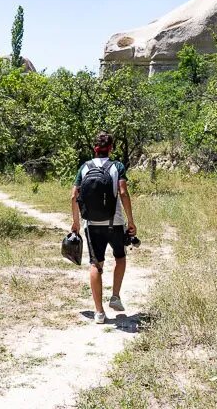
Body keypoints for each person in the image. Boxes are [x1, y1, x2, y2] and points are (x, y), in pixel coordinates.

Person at [70, 131, 137, 324]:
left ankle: (99, 312)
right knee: (120, 258)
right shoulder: (117, 167)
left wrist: (75, 222)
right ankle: (115, 296)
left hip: (91, 224)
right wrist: (130, 221)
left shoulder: (85, 167)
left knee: (95, 264)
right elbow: (123, 193)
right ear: (111, 148)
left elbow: (74, 196)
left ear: (94, 148)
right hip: (114, 223)